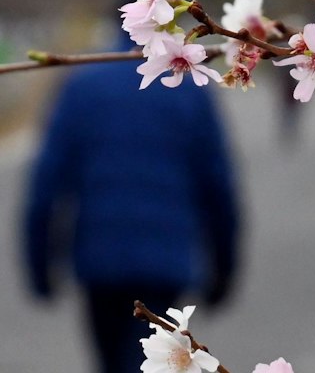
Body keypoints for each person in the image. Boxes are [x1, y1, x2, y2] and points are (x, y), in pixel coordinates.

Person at [21, 37, 240, 373]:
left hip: (100, 260)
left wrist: (39, 264)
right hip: (166, 259)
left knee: (113, 361)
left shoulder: (83, 85)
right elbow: (217, 184)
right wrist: (224, 267)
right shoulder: (188, 87)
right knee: (153, 361)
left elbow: (47, 181)